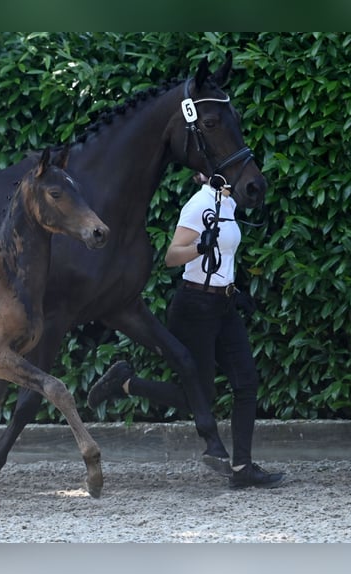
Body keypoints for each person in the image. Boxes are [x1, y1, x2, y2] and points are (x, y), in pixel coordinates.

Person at [88, 172, 285, 489]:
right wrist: (199, 248)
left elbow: (226, 251)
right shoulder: (198, 204)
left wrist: (232, 287)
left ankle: (242, 467)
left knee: (246, 382)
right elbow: (171, 256)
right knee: (201, 396)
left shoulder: (228, 203)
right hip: (195, 307)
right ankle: (123, 384)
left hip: (224, 305)